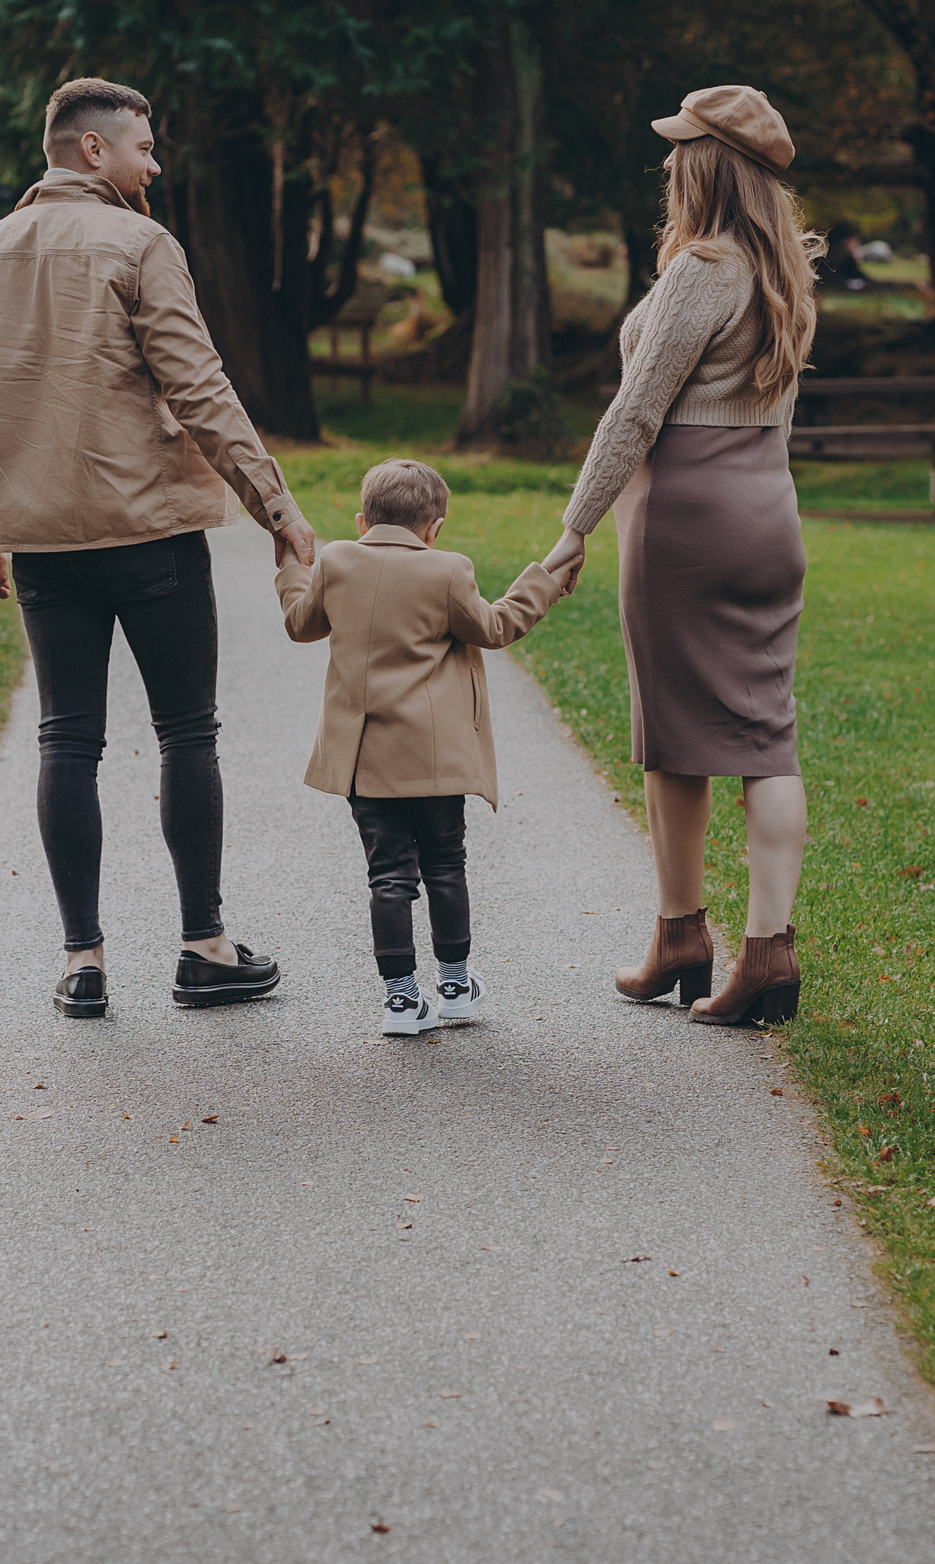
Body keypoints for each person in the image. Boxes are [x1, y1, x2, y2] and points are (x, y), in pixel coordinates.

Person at [0, 76, 320, 1020]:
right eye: (144, 147)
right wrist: (277, 506)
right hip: (149, 531)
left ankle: (83, 962)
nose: (157, 164)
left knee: (66, 737)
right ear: (91, 151)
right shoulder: (141, 244)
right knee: (187, 730)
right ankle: (204, 947)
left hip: (39, 545)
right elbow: (200, 386)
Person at [541, 85, 821, 1027]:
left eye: (678, 152)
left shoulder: (704, 268)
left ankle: (680, 931)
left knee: (676, 736)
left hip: (687, 517)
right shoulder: (784, 271)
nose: (665, 165)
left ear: (706, 165)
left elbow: (636, 410)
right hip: (767, 509)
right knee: (765, 739)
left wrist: (575, 525)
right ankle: (769, 952)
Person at [277, 459, 568, 1035]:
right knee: (445, 865)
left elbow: (300, 623)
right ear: (434, 528)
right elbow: (495, 628)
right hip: (435, 761)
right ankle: (455, 983)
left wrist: (289, 564)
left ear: (363, 520)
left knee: (387, 877)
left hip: (366, 760)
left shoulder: (336, 562)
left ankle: (401, 1000)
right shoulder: (448, 571)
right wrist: (549, 577)